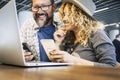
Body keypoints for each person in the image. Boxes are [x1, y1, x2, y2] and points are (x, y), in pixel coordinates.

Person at [49, 0, 117, 67]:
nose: (64, 18)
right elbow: (59, 63)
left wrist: (74, 61)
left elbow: (111, 66)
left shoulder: (97, 34)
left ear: (82, 16)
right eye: (64, 14)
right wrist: (58, 43)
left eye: (69, 14)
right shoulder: (68, 36)